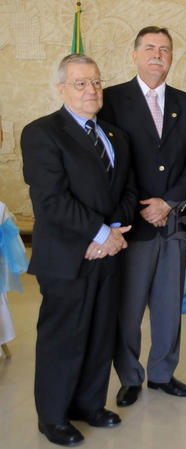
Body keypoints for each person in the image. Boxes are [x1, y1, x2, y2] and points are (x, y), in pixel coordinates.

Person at [21, 54, 136, 446]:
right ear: (61, 89)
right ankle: (52, 417)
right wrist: (100, 233)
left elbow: (128, 190)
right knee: (63, 338)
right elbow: (51, 200)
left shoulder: (115, 135)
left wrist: (114, 234)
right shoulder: (41, 133)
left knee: (100, 334)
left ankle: (89, 404)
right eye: (81, 83)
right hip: (68, 256)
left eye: (97, 82)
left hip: (107, 254)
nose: (91, 90)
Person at [99, 26, 186, 408]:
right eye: (149, 48)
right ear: (135, 55)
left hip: (176, 217)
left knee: (168, 301)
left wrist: (170, 201)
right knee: (128, 306)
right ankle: (129, 376)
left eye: (164, 49)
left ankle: (162, 373)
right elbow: (108, 162)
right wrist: (144, 203)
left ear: (172, 57)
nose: (157, 54)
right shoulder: (110, 100)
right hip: (131, 219)